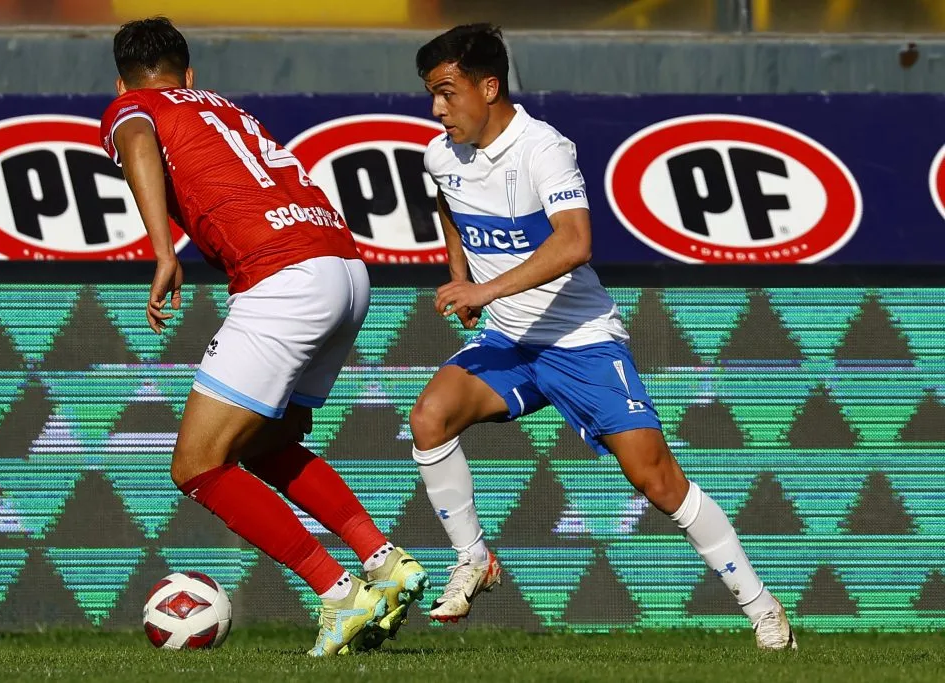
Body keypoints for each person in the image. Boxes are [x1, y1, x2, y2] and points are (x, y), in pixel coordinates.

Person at [409, 23, 797, 650]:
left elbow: (575, 242)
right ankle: (473, 558)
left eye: (448, 92)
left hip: (580, 341)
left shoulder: (544, 149)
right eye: (431, 93)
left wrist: (482, 290)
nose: (437, 108)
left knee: (655, 479)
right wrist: (459, 272)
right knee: (430, 417)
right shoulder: (439, 156)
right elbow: (447, 208)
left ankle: (763, 608)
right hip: (511, 342)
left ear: (489, 86)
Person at [101, 17, 428, 656]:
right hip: (345, 268)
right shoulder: (224, 108)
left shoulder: (132, 107)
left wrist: (162, 249)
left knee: (197, 464)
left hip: (283, 278)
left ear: (123, 83)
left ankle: (340, 594)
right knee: (268, 444)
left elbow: (137, 133)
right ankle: (383, 564)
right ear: (190, 75)